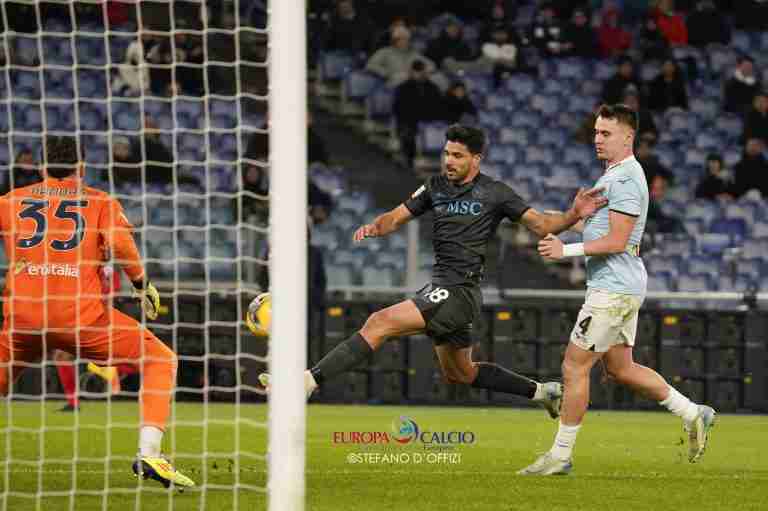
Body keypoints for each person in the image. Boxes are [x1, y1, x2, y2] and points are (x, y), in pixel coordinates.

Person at [257, 124, 609, 418]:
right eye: (446, 154)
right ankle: (542, 392)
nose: (449, 161)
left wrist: (574, 214)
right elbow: (397, 215)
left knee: (379, 323)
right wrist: (377, 226)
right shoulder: (434, 186)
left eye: (457, 155)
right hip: (447, 290)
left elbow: (542, 224)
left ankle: (306, 382)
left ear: (476, 159)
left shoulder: (496, 193)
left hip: (459, 290)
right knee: (461, 373)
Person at [519, 105, 716, 476]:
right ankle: (694, 413)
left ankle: (560, 457)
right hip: (621, 285)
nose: (597, 138)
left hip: (612, 288)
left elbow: (618, 240)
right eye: (596, 132)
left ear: (628, 136)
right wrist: (569, 218)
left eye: (606, 133)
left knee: (574, 367)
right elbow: (599, 232)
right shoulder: (613, 176)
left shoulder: (625, 178)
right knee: (621, 368)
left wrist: (566, 251)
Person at [0, 136, 194, 489]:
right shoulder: (100, 202)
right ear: (83, 168)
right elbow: (120, 243)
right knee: (160, 360)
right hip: (81, 320)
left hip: (23, 320)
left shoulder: (10, 201)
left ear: (41, 167)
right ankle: (149, 454)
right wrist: (141, 283)